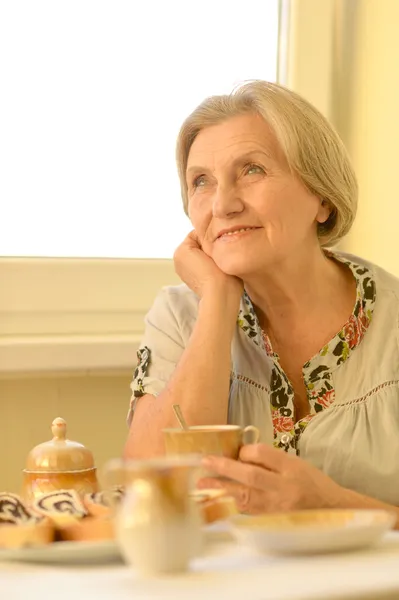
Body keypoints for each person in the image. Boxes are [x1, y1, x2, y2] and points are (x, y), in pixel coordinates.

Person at [124, 80, 399, 524]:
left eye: (251, 170)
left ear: (322, 196)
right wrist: (216, 301)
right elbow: (150, 491)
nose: (224, 204)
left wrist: (329, 505)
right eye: (201, 182)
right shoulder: (179, 315)